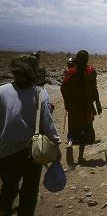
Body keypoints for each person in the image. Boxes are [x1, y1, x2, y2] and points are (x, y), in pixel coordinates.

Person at [0, 54, 61, 216]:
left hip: (7, 152)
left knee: (9, 186)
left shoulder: (2, 91)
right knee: (29, 191)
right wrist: (55, 145)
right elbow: (48, 123)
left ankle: (4, 210)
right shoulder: (40, 94)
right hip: (31, 153)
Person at [61, 50, 102, 166]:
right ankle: (80, 156)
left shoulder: (71, 72)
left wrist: (68, 102)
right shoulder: (89, 71)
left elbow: (63, 88)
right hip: (85, 107)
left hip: (76, 107)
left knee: (75, 127)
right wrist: (97, 102)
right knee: (84, 130)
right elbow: (94, 89)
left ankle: (71, 146)